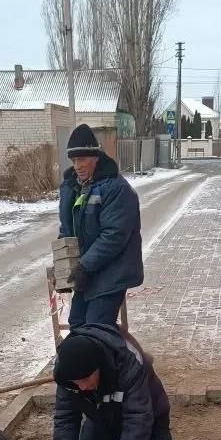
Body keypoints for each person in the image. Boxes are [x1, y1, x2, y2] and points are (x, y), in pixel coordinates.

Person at [52, 324, 177, 440]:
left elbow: (137, 418)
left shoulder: (128, 361)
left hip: (148, 412)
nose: (82, 387)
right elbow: (65, 416)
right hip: (102, 414)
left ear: (99, 366)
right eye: (76, 383)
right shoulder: (66, 370)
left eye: (86, 379)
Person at [59, 123, 143, 329]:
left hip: (112, 272)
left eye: (82, 159)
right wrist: (63, 266)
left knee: (96, 326)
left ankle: (120, 350)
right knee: (77, 324)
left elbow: (114, 235)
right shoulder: (72, 187)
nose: (77, 165)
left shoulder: (116, 188)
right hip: (87, 272)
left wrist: (84, 266)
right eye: (73, 160)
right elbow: (67, 229)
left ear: (96, 157)